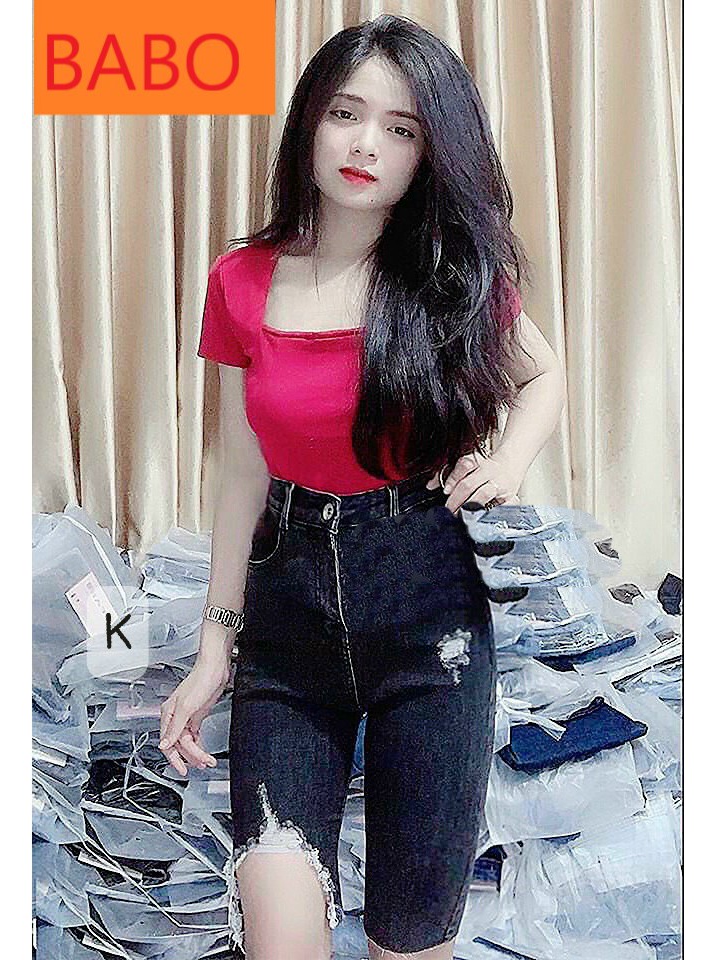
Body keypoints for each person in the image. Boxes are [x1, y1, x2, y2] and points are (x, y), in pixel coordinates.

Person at [159, 14, 565, 960]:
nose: (365, 144)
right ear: (310, 121)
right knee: (280, 935)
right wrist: (214, 648)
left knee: (408, 942)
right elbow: (242, 469)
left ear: (430, 151)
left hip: (430, 612)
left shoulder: (449, 279)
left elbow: (543, 374)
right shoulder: (241, 279)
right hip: (289, 622)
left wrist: (508, 461)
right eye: (345, 113)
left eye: (401, 127)